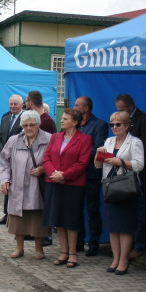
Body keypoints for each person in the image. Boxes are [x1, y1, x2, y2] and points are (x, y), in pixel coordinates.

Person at [94, 110, 145, 275]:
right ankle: (115, 258)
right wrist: (98, 155)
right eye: (112, 125)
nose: (115, 127)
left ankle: (124, 259)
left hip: (125, 188)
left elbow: (139, 165)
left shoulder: (135, 142)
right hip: (110, 187)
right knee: (113, 227)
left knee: (125, 227)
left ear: (127, 126)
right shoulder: (108, 141)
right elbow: (98, 166)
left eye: (118, 124)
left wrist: (120, 161)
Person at [41, 108, 92, 268]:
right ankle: (63, 252)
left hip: (73, 185)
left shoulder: (84, 139)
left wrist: (64, 175)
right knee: (58, 219)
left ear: (75, 122)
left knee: (71, 220)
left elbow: (82, 163)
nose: (61, 121)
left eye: (65, 119)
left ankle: (72, 253)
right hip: (54, 183)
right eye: (62, 118)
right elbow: (46, 158)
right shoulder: (56, 137)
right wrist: (53, 174)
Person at [0, 110, 51, 258]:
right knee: (17, 219)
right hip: (18, 186)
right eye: (25, 125)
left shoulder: (48, 139)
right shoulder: (14, 140)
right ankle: (19, 248)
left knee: (37, 218)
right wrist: (5, 180)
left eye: (32, 125)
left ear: (38, 125)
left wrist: (43, 169)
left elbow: (53, 160)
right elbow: (4, 161)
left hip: (36, 187)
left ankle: (39, 249)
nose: (28, 128)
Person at [115, 94, 146, 257]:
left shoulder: (143, 119)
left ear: (131, 107)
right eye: (118, 110)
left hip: (137, 172)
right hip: (122, 172)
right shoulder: (122, 123)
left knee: (139, 208)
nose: (120, 113)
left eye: (122, 110)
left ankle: (140, 245)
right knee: (126, 209)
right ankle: (126, 243)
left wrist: (126, 153)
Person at [74, 96, 109, 257]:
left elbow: (98, 148)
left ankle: (94, 242)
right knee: (77, 209)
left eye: (77, 105)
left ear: (86, 108)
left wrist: (78, 156)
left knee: (92, 209)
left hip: (91, 174)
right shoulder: (75, 125)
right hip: (75, 174)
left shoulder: (99, 125)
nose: (75, 108)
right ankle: (78, 241)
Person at [0, 94, 24, 224]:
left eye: (15, 104)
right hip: (6, 160)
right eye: (11, 104)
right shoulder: (6, 118)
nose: (12, 106)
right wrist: (3, 154)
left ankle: (16, 215)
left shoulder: (25, 119)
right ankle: (6, 214)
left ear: (22, 105)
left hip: (19, 159)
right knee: (6, 186)